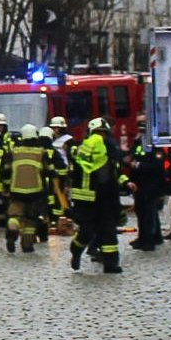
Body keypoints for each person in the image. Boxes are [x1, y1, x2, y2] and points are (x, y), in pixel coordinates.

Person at [69, 116, 124, 273]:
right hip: (87, 199)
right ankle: (76, 250)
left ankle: (111, 264)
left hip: (106, 198)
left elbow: (116, 172)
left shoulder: (110, 151)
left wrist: (126, 183)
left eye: (103, 133)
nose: (101, 137)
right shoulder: (82, 150)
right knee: (86, 232)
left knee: (109, 232)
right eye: (99, 133)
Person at [6, 125, 52, 253]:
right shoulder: (41, 152)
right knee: (31, 219)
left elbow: (5, 170)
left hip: (16, 190)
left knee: (15, 214)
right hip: (35, 191)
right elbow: (50, 170)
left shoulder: (14, 152)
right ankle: (27, 246)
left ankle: (13, 229)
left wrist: (6, 186)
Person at [125, 136, 168, 251]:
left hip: (151, 184)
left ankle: (149, 240)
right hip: (139, 184)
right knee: (140, 211)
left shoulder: (155, 145)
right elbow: (131, 156)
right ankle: (143, 237)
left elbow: (158, 166)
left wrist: (139, 165)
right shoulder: (138, 143)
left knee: (149, 212)